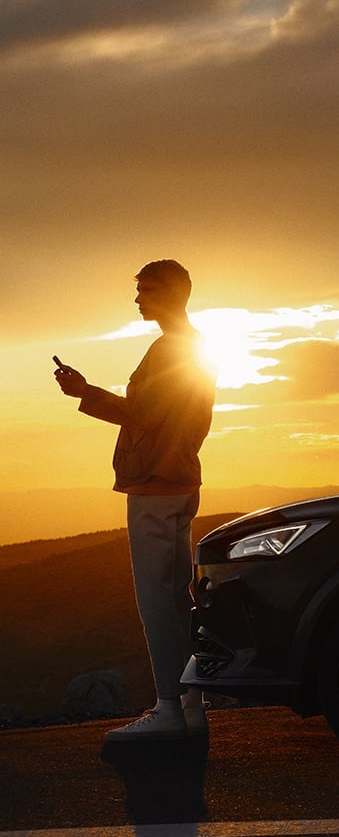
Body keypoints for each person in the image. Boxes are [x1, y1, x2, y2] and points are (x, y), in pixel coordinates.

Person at [54, 260, 215, 742]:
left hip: (156, 486)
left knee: (157, 601)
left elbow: (145, 414)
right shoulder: (193, 345)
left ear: (172, 294)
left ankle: (168, 709)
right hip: (177, 482)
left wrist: (84, 392)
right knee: (176, 599)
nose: (138, 298)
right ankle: (189, 705)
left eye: (146, 290)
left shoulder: (172, 350)